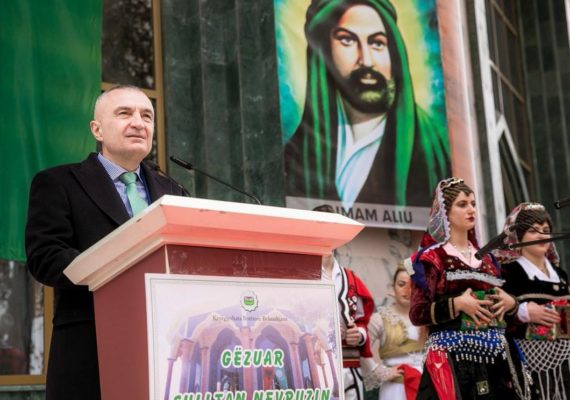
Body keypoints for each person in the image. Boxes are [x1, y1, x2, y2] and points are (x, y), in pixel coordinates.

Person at [25, 85, 188, 400]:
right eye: (125, 113)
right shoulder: (58, 183)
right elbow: (45, 257)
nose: (138, 123)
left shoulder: (174, 192)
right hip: (90, 351)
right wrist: (118, 267)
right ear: (97, 130)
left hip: (166, 350)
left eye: (147, 116)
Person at [285, 0, 449, 208]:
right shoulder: (296, 154)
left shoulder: (430, 148)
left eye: (377, 43)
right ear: (324, 51)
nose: (367, 61)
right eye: (347, 40)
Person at [408, 177, 524, 399]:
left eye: (473, 204)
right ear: (445, 212)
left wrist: (511, 303)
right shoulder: (432, 258)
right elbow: (417, 313)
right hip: (452, 360)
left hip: (495, 361)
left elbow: (506, 314)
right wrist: (457, 304)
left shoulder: (488, 259)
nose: (471, 209)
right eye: (462, 204)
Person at [496, 203, 570, 400]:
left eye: (545, 230)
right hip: (528, 365)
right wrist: (522, 311)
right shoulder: (508, 273)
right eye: (533, 230)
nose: (541, 235)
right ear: (519, 237)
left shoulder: (561, 275)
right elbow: (497, 321)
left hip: (565, 364)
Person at [313, 204, 375, 400]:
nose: (326, 235)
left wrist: (359, 335)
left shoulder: (351, 279)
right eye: (320, 229)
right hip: (316, 364)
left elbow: (362, 321)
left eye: (332, 229)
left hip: (349, 366)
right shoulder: (302, 277)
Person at [365, 261, 424, 400]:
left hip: (424, 387)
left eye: (412, 286)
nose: (407, 291)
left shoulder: (426, 319)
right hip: (394, 389)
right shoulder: (379, 319)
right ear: (392, 288)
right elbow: (361, 352)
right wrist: (382, 372)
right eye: (401, 284)